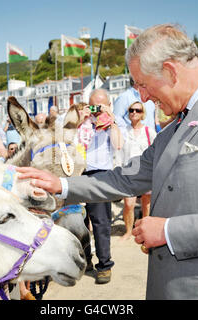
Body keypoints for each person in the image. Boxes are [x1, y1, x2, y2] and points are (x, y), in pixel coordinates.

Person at [16, 24, 198, 300]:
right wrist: (61, 184)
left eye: (142, 84)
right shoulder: (172, 129)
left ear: (170, 70)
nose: (142, 97)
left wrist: (168, 231)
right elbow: (124, 178)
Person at [81, 89, 124, 285]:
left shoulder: (111, 125)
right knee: (79, 222)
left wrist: (111, 120)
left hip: (101, 175)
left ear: (108, 105)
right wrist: (79, 120)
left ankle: (105, 265)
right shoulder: (81, 123)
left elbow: (118, 145)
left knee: (101, 224)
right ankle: (85, 261)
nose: (96, 110)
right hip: (79, 173)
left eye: (100, 106)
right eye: (93, 105)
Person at [120, 101, 156, 240]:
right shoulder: (124, 132)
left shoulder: (149, 131)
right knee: (129, 204)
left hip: (145, 170)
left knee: (146, 203)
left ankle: (144, 231)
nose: (134, 112)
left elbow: (156, 150)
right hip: (128, 170)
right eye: (131, 110)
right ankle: (128, 231)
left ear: (143, 114)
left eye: (138, 110)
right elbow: (119, 151)